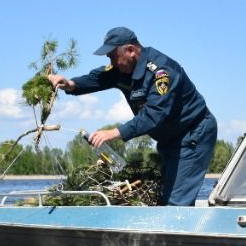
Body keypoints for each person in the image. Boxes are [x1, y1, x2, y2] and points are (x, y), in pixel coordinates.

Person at [49, 26, 217, 206]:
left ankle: (174, 233)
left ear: (130, 50)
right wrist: (70, 84)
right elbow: (98, 78)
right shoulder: (122, 68)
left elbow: (154, 115)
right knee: (165, 197)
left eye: (112, 56)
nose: (111, 62)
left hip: (193, 134)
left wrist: (113, 133)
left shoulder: (162, 72)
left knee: (176, 203)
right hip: (169, 140)